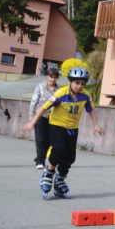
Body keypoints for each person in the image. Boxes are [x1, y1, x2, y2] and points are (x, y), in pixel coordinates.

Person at [22, 66, 103, 199]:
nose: (79, 86)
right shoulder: (60, 93)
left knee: (70, 157)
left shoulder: (85, 95)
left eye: (82, 84)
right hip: (56, 125)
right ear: (70, 81)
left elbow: (91, 110)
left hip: (72, 128)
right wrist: (32, 122)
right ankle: (49, 172)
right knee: (59, 150)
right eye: (77, 83)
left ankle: (59, 179)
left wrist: (96, 125)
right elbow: (43, 108)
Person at [28, 67, 61, 169]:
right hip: (40, 116)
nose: (52, 79)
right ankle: (40, 161)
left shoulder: (59, 89)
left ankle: (40, 157)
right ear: (47, 76)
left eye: (55, 77)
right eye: (51, 77)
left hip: (53, 118)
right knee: (41, 139)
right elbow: (33, 102)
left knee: (50, 141)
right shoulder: (40, 87)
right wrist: (31, 117)